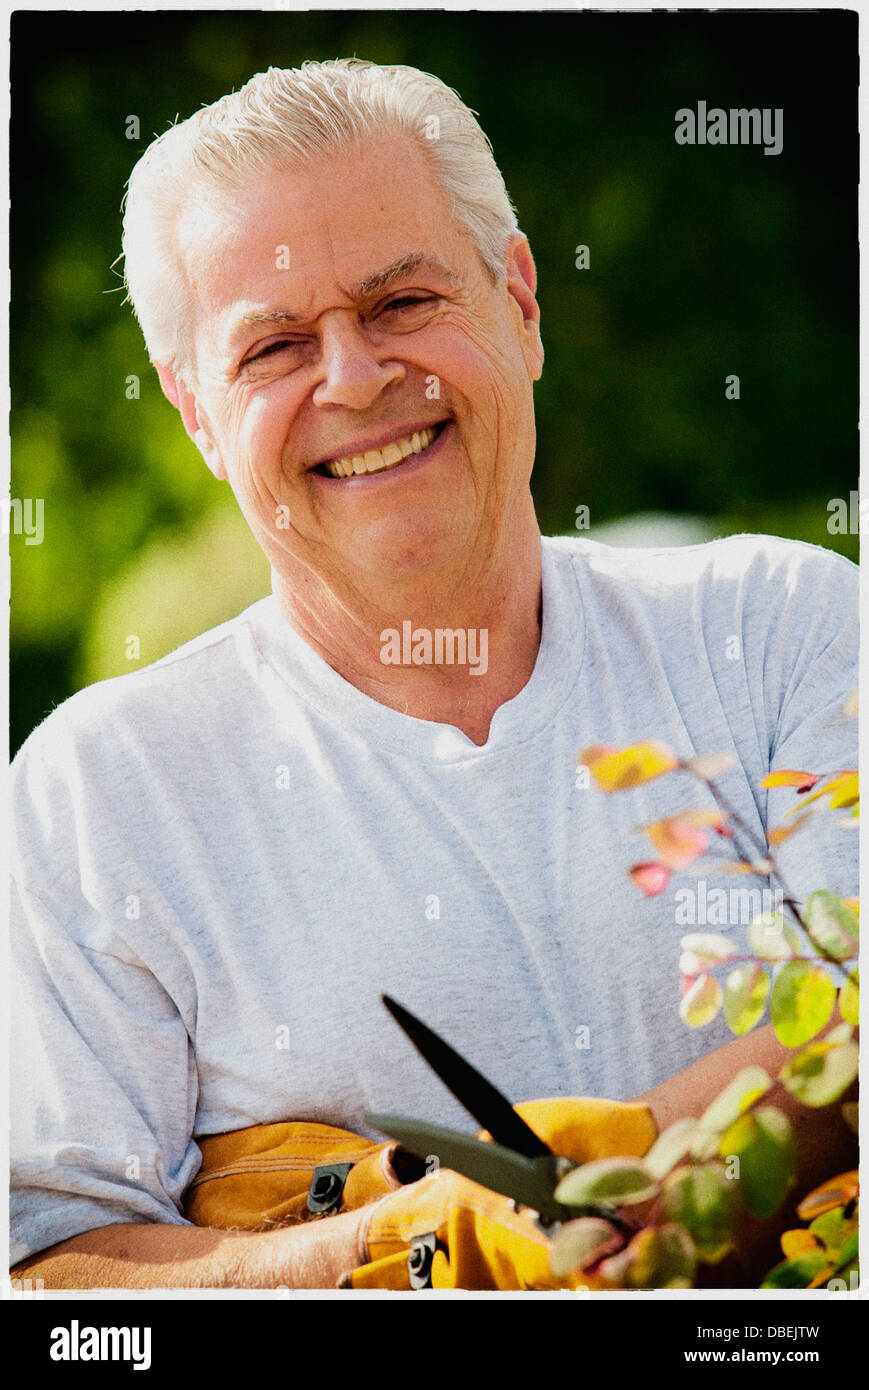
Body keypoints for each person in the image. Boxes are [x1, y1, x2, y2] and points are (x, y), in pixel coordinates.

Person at [10, 59, 857, 1290]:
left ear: (519, 301)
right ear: (197, 414)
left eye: (401, 301)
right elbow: (55, 1286)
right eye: (275, 346)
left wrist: (629, 1173)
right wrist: (393, 1247)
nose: (351, 379)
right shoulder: (98, 796)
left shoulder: (776, 627)